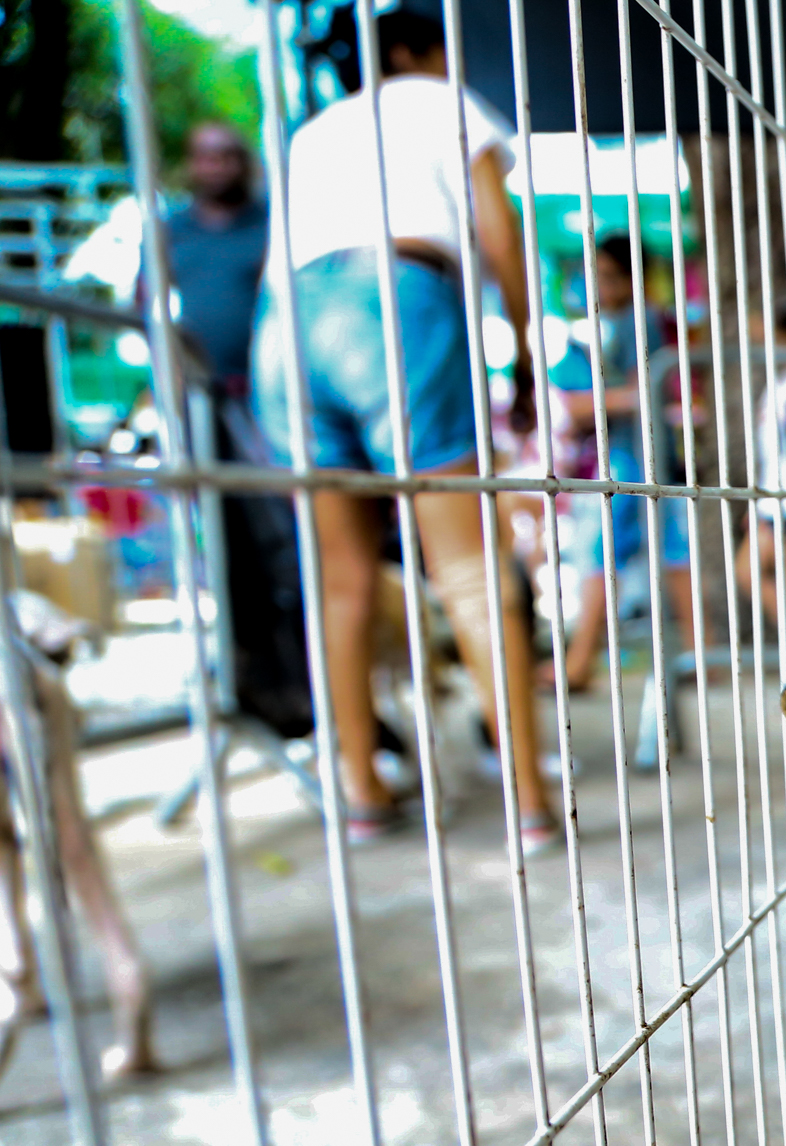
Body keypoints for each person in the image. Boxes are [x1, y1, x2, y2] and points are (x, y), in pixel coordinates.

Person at [251, 5, 552, 849]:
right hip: (395, 302)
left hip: (287, 326)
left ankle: (360, 794)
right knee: (466, 564)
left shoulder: (313, 132)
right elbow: (500, 234)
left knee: (338, 580)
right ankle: (528, 801)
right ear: (416, 52)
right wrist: (525, 354)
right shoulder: (440, 97)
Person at [546, 234, 696, 693]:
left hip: (632, 461)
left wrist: (590, 403)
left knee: (604, 560)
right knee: (670, 557)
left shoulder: (636, 322)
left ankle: (579, 663)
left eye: (609, 276)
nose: (595, 286)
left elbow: (637, 392)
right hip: (642, 457)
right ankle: (699, 654)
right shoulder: (619, 324)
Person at [162, 123, 268, 398]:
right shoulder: (171, 230)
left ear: (245, 163)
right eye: (207, 157)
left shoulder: (274, 223)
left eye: (227, 156)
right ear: (192, 164)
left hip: (266, 385)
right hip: (195, 386)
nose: (218, 166)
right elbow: (147, 299)